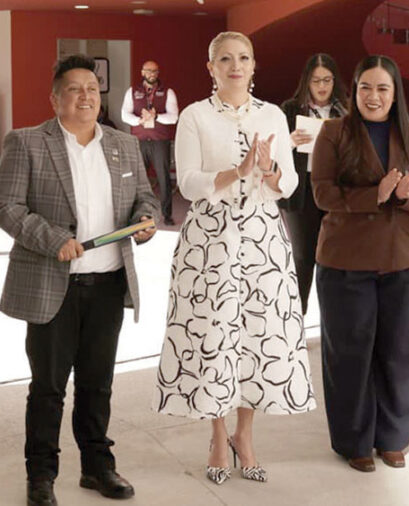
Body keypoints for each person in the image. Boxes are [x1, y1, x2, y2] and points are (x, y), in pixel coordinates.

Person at [0, 54, 160, 506]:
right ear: (54, 99)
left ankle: (97, 467)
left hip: (107, 283)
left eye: (92, 88)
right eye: (74, 89)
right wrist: (53, 240)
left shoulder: (123, 145)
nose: (86, 96)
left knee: (97, 383)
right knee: (48, 387)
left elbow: (145, 198)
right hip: (53, 286)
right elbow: (4, 206)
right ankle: (41, 476)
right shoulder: (27, 142)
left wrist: (145, 220)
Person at [154, 31, 316, 486]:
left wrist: (269, 170)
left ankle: (244, 435)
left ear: (253, 64)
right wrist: (236, 172)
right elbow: (188, 182)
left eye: (243, 57)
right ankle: (217, 436)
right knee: (213, 333)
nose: (235, 66)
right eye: (225, 59)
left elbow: (288, 185)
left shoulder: (272, 115)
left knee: (256, 337)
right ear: (211, 67)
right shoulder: (195, 115)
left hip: (263, 236)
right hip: (211, 237)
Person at [311, 55, 409, 473]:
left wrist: (402, 197)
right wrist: (377, 195)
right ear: (354, 90)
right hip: (345, 262)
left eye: (383, 88)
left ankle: (394, 438)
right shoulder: (333, 132)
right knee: (349, 355)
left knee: (398, 354)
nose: (373, 96)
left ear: (395, 93)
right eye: (366, 87)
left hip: (400, 262)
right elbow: (322, 193)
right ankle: (355, 442)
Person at [279, 53, 349, 315]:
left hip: (333, 187)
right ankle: (297, 318)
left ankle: (334, 318)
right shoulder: (290, 109)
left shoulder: (345, 110)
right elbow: (272, 150)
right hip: (302, 188)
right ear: (306, 81)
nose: (322, 86)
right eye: (316, 80)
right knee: (303, 256)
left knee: (333, 255)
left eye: (327, 80)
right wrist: (290, 141)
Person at [121, 60, 179, 225]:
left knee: (163, 179)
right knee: (138, 179)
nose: (151, 74)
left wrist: (156, 116)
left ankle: (167, 215)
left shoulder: (168, 92)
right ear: (142, 72)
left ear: (158, 73)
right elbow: (124, 115)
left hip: (160, 142)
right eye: (148, 71)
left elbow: (174, 117)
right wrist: (139, 120)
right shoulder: (132, 92)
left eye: (154, 71)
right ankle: (137, 215)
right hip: (139, 141)